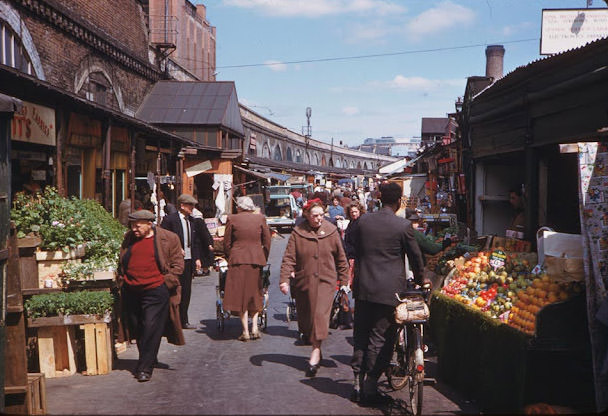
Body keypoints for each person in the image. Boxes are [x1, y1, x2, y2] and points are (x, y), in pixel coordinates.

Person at [350, 182, 426, 404]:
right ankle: (371, 386)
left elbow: (354, 246)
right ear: (400, 200)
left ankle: (357, 381)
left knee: (361, 335)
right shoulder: (402, 226)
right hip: (389, 291)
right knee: (380, 337)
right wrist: (422, 280)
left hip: (363, 287)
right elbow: (416, 259)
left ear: (380, 198)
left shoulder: (363, 221)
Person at [279, 199, 349, 377]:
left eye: (321, 215)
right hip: (305, 282)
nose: (318, 219)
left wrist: (345, 281)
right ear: (307, 216)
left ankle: (315, 353)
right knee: (307, 320)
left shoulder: (331, 231)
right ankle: (315, 343)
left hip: (326, 281)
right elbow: (289, 257)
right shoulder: (298, 232)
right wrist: (284, 280)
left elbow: (341, 258)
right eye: (314, 216)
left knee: (320, 315)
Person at [118, 209, 185, 382]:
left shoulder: (169, 238)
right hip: (131, 290)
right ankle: (149, 356)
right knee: (137, 327)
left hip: (155, 289)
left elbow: (178, 264)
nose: (134, 229)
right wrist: (122, 279)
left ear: (150, 224)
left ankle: (144, 368)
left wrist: (166, 282)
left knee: (150, 326)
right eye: (132, 225)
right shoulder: (129, 238)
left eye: (138, 226)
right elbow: (122, 260)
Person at [223, 196, 272, 341]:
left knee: (241, 295)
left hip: (237, 260)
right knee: (255, 293)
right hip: (255, 261)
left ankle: (245, 331)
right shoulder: (260, 219)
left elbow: (227, 242)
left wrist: (230, 256)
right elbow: (267, 241)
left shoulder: (232, 219)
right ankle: (255, 328)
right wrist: (262, 256)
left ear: (239, 207)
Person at [160, 194, 202, 329]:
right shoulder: (170, 220)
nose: (193, 208)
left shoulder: (192, 221)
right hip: (174, 262)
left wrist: (197, 258)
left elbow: (195, 241)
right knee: (173, 290)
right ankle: (170, 321)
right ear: (182, 206)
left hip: (188, 261)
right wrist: (176, 249)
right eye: (190, 206)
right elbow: (163, 239)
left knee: (186, 291)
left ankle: (184, 320)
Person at [192, 206, 214, 276]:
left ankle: (201, 269)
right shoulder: (199, 220)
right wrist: (209, 243)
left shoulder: (196, 221)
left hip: (200, 242)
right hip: (201, 242)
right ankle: (204, 269)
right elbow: (205, 232)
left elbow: (203, 233)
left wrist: (208, 243)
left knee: (201, 255)